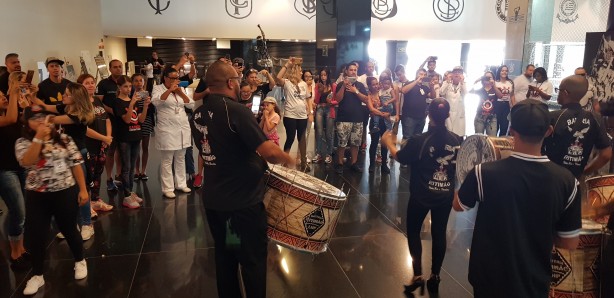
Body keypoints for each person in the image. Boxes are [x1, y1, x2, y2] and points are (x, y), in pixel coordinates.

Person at [454, 99, 581, 298]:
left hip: (488, 278)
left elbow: (459, 205)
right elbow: (569, 243)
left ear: (512, 130)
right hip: (534, 281)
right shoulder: (567, 181)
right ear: (548, 131)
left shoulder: (483, 173)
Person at [190, 60, 293, 298]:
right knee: (253, 262)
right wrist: (289, 159)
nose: (240, 84)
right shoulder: (236, 111)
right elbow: (269, 151)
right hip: (242, 205)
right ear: (229, 83)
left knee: (226, 257)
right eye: (237, 79)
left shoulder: (197, 114)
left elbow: (210, 150)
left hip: (216, 201)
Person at [382, 98, 462, 295]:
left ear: (428, 114)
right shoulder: (457, 140)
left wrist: (389, 144)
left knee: (414, 232)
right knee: (439, 233)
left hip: (421, 195)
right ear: (448, 115)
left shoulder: (419, 140)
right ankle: (435, 276)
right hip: (445, 194)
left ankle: (418, 276)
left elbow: (401, 158)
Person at [16, 105, 89, 295]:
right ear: (27, 122)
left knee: (69, 229)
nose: (41, 121)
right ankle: (38, 275)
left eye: (44, 117)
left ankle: (80, 260)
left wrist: (82, 190)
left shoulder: (64, 139)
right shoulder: (23, 142)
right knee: (37, 235)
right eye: (35, 118)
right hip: (37, 195)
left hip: (64, 191)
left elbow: (76, 165)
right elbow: (27, 161)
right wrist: (39, 137)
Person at [542, 74, 611, 178]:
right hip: (576, 180)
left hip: (551, 179)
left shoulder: (553, 116)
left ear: (565, 93)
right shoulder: (595, 118)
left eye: (558, 90)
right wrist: (586, 171)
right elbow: (606, 154)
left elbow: (537, 149)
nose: (557, 93)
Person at [152, 67, 194, 199]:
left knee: (181, 157)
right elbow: (156, 102)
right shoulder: (158, 88)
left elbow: (191, 105)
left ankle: (181, 184)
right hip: (167, 130)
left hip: (182, 128)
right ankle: (168, 188)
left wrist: (180, 93)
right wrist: (170, 90)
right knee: (167, 160)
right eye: (173, 78)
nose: (176, 80)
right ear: (165, 78)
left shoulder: (180, 89)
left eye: (177, 78)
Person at [0, 75, 28, 269]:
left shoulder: (13, 113)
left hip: (21, 167)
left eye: (3, 95)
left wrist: (25, 100)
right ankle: (14, 250)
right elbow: (10, 118)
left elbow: (26, 119)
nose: (2, 97)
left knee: (23, 209)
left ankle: (22, 246)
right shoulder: (5, 118)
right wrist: (14, 90)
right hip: (4, 170)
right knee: (19, 210)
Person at [78, 74, 114, 212]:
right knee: (88, 176)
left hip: (102, 145)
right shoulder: (80, 104)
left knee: (98, 174)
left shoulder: (98, 101)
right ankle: (86, 206)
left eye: (92, 82)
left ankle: (95, 199)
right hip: (88, 146)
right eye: (87, 83)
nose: (91, 85)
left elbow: (107, 120)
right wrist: (103, 138)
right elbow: (84, 129)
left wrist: (108, 137)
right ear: (81, 86)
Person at [114, 75, 149, 208]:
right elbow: (127, 120)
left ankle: (130, 192)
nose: (128, 89)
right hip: (124, 139)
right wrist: (131, 104)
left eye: (130, 86)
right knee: (126, 167)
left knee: (132, 165)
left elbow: (140, 120)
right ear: (119, 87)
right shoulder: (118, 102)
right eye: (125, 86)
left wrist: (145, 106)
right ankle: (126, 195)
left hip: (136, 136)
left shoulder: (132, 100)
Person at [275, 57, 312, 171]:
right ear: (295, 71)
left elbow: (307, 99)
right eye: (300, 70)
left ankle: (304, 163)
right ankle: (285, 161)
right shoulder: (286, 83)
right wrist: (287, 64)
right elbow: (277, 78)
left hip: (302, 116)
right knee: (290, 137)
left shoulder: (304, 84)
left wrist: (310, 112)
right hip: (290, 115)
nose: (302, 72)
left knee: (302, 139)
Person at [334, 62, 369, 174]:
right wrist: (344, 86)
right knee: (342, 143)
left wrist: (356, 91)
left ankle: (354, 163)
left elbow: (365, 99)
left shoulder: (360, 85)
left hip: (358, 118)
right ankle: (340, 163)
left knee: (355, 143)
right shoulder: (340, 84)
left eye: (355, 70)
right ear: (346, 71)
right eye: (351, 70)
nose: (353, 72)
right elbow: (338, 99)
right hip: (343, 118)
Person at [97, 59, 124, 191]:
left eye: (120, 67)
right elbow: (98, 102)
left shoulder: (126, 81)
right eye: (115, 67)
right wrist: (110, 110)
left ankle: (119, 176)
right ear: (110, 69)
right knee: (111, 151)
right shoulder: (103, 84)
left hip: (124, 121)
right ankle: (109, 178)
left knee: (121, 150)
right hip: (110, 122)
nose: (118, 69)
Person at [366, 76, 394, 174]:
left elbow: (391, 106)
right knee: (374, 143)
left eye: (377, 83)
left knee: (384, 143)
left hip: (385, 121)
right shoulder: (368, 95)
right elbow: (371, 109)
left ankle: (384, 165)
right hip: (375, 121)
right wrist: (383, 114)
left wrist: (389, 113)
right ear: (369, 86)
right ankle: (372, 164)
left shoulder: (382, 92)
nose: (376, 86)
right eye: (373, 84)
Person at [400, 68, 434, 141]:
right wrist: (416, 81)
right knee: (407, 139)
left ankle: (414, 153)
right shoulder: (409, 83)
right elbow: (403, 90)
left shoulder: (424, 87)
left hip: (421, 117)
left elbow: (433, 96)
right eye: (421, 74)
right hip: (409, 117)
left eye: (424, 75)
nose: (422, 76)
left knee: (417, 139)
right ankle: (404, 152)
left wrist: (432, 87)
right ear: (416, 75)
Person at [132, 74, 155, 181]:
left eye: (140, 80)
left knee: (145, 146)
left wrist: (149, 103)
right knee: (136, 146)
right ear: (132, 82)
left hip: (146, 121)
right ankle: (136, 171)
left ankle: (143, 170)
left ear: (144, 82)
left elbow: (152, 110)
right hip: (135, 121)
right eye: (136, 81)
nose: (138, 83)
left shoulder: (148, 94)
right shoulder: (131, 94)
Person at [313, 68, 336, 164]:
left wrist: (332, 102)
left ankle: (329, 154)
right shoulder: (318, 85)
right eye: (321, 75)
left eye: (325, 75)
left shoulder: (333, 86)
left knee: (329, 133)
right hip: (319, 109)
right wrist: (320, 91)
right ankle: (318, 153)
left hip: (329, 109)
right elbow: (316, 100)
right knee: (319, 132)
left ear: (328, 75)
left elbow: (338, 99)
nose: (323, 77)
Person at [440, 66, 467, 136]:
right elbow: (441, 92)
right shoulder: (446, 83)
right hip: (448, 114)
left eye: (459, 72)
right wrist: (447, 81)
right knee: (447, 135)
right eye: (455, 72)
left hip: (459, 114)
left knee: (458, 135)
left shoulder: (464, 84)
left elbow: (466, 93)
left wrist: (462, 82)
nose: (457, 74)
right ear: (452, 74)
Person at [494, 65, 514, 136]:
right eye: (502, 70)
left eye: (506, 71)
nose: (504, 72)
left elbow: (512, 95)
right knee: (495, 127)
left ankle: (501, 144)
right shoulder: (495, 83)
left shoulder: (510, 82)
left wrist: (514, 106)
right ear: (499, 72)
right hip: (497, 105)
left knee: (504, 127)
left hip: (506, 106)